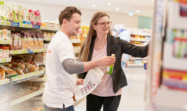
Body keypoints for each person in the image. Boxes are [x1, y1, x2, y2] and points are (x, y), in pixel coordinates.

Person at [42, 7, 116, 111]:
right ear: (65, 22)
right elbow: (70, 66)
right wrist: (99, 62)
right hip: (61, 102)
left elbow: (58, 68)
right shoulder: (64, 42)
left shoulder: (56, 38)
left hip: (51, 99)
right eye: (76, 22)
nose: (79, 26)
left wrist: (72, 80)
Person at [78, 12, 149, 111]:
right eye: (102, 23)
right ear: (94, 26)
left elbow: (140, 52)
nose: (106, 25)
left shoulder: (117, 43)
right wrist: (80, 80)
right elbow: (82, 63)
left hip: (112, 92)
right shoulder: (88, 44)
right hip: (93, 90)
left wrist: (156, 40)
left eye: (108, 22)